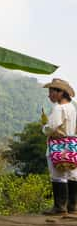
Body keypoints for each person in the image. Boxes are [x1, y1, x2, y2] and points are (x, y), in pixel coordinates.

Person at [41, 78, 77, 215]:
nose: (49, 95)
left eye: (51, 92)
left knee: (58, 174)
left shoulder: (59, 108)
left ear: (60, 92)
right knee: (72, 173)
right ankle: (73, 205)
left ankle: (59, 206)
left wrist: (44, 128)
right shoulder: (72, 107)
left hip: (58, 144)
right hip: (72, 144)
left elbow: (51, 127)